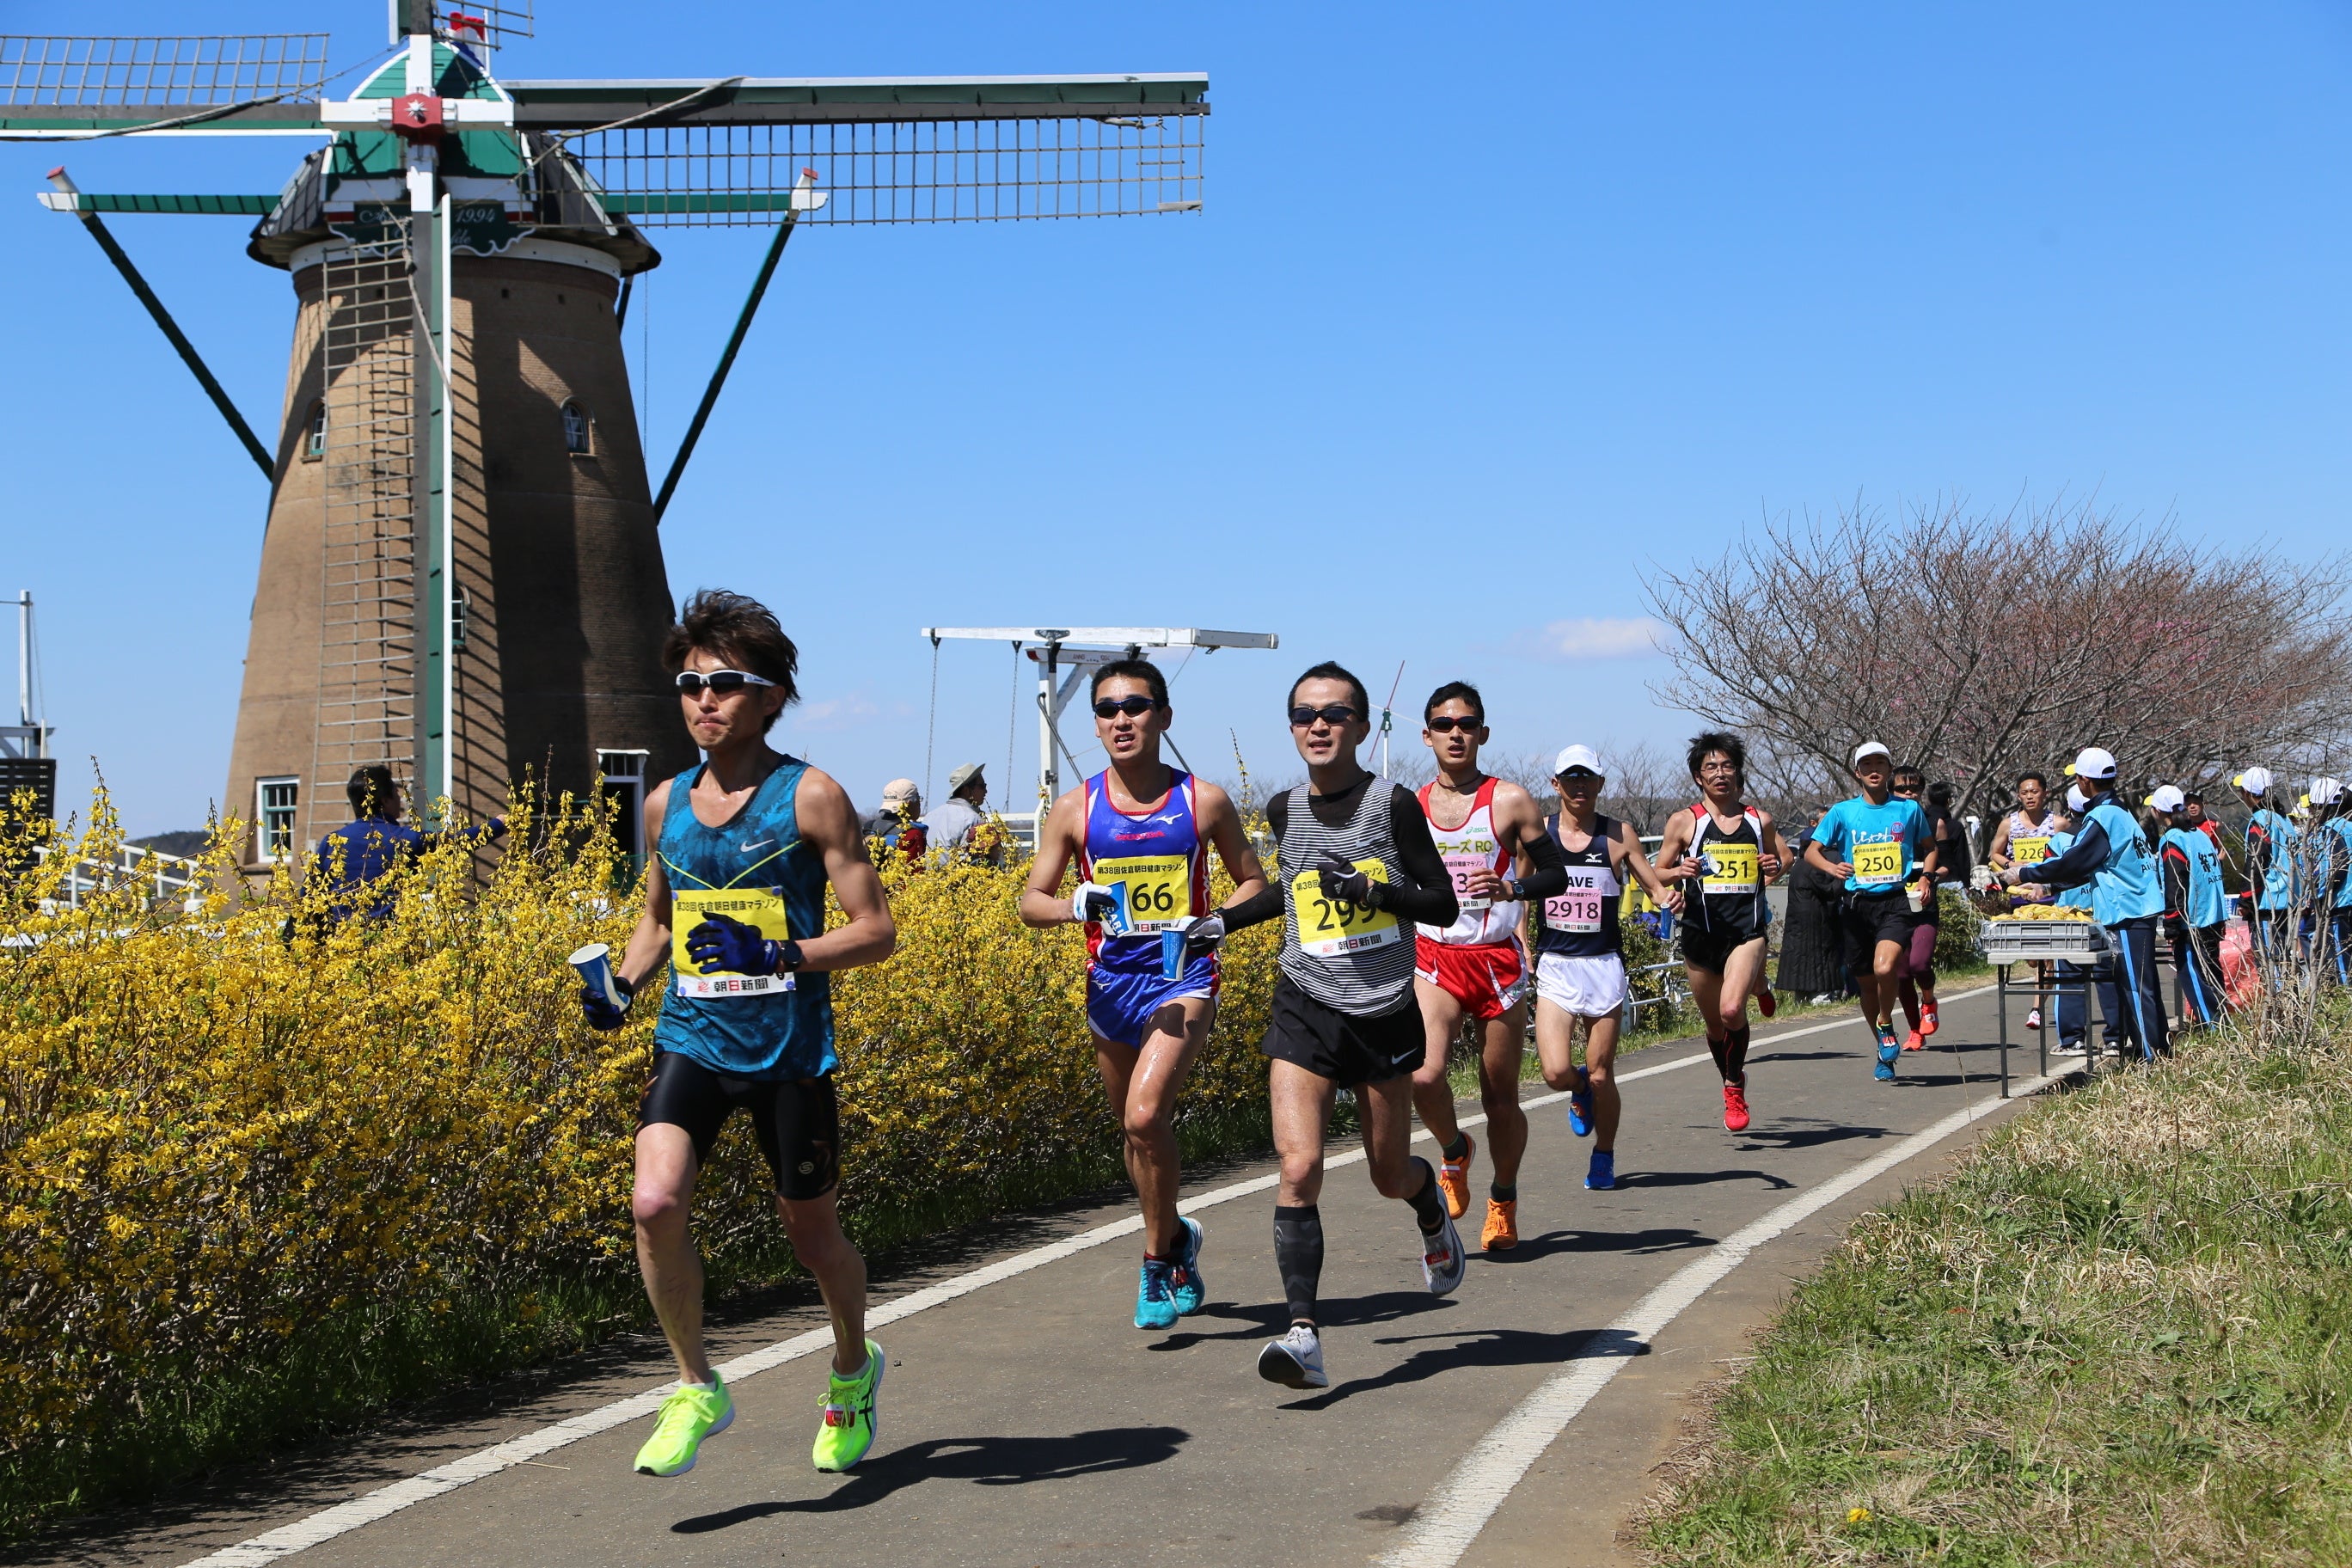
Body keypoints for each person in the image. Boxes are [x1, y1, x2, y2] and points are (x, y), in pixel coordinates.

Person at [579, 590, 898, 1477]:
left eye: (724, 683)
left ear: (769, 698)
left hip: (791, 1056)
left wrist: (784, 951)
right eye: (688, 684)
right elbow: (656, 921)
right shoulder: (664, 805)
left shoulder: (813, 796)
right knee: (653, 1202)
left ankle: (850, 1369)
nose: (703, 700)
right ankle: (695, 1386)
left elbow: (876, 930)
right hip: (692, 1040)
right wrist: (623, 986)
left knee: (813, 1236)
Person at [1209, 662, 1466, 1390]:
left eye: (1334, 713)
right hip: (1306, 1001)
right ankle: (1303, 1335)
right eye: (1303, 714)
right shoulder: (1284, 807)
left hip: (1383, 1007)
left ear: (1358, 725)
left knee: (1388, 1172)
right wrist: (1220, 922)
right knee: (1299, 1167)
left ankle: (1427, 1209)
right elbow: (1291, 898)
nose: (1317, 725)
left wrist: (1374, 890)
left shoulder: (1393, 806)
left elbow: (1442, 905)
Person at [1019, 660, 1267, 1329]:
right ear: (1096, 725)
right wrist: (1079, 903)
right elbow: (1029, 900)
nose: (1121, 719)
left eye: (1135, 706)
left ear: (1163, 715)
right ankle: (1179, 1236)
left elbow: (1253, 881)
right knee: (1133, 1134)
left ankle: (1156, 1262)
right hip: (1111, 985)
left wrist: (1213, 924)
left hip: (1181, 978)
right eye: (1106, 710)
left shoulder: (1202, 800)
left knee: (1144, 1116)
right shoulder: (1077, 808)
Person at [1406, 682, 1567, 1253]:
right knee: (1423, 1075)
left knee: (1500, 1098)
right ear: (1426, 735)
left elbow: (1555, 875)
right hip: (1436, 957)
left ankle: (1503, 1197)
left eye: (1467, 724)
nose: (1457, 733)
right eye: (1445, 724)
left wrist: (1511, 885)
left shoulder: (1510, 801)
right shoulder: (1411, 807)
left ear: (1483, 733)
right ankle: (1453, 1150)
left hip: (1496, 959)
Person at [1529, 745, 1683, 1189]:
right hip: (1557, 963)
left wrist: (1666, 896)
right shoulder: (1539, 833)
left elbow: (1652, 885)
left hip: (1602, 966)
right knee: (1557, 1071)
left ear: (1600, 784)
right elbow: (1523, 888)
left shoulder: (1618, 835)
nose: (1579, 786)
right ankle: (1575, 1092)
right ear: (1556, 784)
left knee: (1601, 1074)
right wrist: (1522, 944)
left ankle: (1604, 1154)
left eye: (1587, 778)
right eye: (1570, 778)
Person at [1653, 732, 1790, 1132]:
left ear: (1737, 772)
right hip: (1700, 934)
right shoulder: (1685, 821)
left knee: (1732, 1010)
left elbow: (1785, 856)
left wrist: (1774, 867)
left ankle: (1733, 1085)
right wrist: (1680, 871)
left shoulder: (1757, 820)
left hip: (1747, 932)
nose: (1720, 773)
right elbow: (1658, 870)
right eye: (1711, 767)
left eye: (1727, 765)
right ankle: (1760, 989)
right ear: (1698, 776)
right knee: (1715, 1025)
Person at [1997, 747, 2168, 1062]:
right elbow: (2089, 868)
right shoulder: (2119, 812)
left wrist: (2024, 872)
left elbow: (2074, 863)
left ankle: (2154, 1059)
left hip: (2129, 910)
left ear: (2085, 781)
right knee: (2139, 986)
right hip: (2135, 908)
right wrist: (2045, 883)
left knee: (2136, 987)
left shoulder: (2103, 817)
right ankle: (2153, 1053)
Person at [1804, 740, 1939, 1082]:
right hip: (1855, 905)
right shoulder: (1843, 812)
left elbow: (1930, 848)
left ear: (1890, 769)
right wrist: (1832, 868)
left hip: (1894, 903)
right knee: (1865, 983)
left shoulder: (1908, 811)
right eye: (1867, 764)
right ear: (1857, 772)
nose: (1874, 769)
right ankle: (1883, 1045)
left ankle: (1887, 1021)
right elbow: (1812, 851)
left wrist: (1925, 877)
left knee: (1885, 966)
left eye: (1881, 763)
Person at [309, 765, 505, 924]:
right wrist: (498, 824)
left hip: (339, 949)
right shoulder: (405, 840)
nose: (400, 802)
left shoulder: (331, 842)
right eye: (396, 794)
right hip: (388, 947)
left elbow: (309, 899)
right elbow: (456, 842)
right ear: (385, 800)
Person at [1988, 770, 2061, 1030]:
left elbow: (2070, 856)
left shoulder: (2058, 824)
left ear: (2045, 793)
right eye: (2025, 792)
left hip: (2048, 897)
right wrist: (2011, 864)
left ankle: (2037, 1008)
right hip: (2019, 898)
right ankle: (2039, 998)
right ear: (2019, 795)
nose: (2030, 796)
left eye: (2035, 791)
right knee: (2032, 957)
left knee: (2046, 956)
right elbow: (1993, 854)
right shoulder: (2009, 824)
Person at [1888, 763, 1952, 1050]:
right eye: (1901, 788)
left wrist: (1928, 879)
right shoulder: (1885, 822)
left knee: (1919, 963)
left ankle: (1929, 1001)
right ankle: (1914, 1030)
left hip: (1923, 902)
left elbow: (1948, 866)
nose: (1908, 793)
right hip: (1893, 903)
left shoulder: (1933, 822)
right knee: (1900, 973)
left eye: (1914, 787)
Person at [2153, 784, 2228, 1025]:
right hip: (2213, 916)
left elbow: (2176, 884)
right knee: (2213, 976)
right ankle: (2222, 1024)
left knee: (2195, 978)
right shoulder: (2200, 835)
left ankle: (2215, 1030)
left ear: (2158, 811)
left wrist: (2172, 924)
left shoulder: (2172, 839)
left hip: (2191, 922)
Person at [1774, 817, 1847, 1004]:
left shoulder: (1799, 864)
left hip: (1797, 919)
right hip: (1816, 918)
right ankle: (1820, 995)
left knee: (1800, 958)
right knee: (1819, 955)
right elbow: (1829, 890)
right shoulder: (1814, 864)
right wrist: (1842, 878)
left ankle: (1802, 997)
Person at [2234, 766, 2298, 970]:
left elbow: (2256, 862)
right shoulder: (2284, 820)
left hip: (2268, 903)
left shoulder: (2261, 820)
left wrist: (2246, 899)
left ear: (2248, 792)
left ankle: (2277, 1002)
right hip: (2290, 901)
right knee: (2287, 963)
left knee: (2272, 966)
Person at [2310, 777, 2352, 985]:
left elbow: (2337, 865)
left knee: (2343, 963)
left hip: (2340, 904)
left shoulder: (2330, 829)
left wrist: (2321, 895)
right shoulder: (2348, 826)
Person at [923, 763, 990, 853]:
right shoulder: (972, 819)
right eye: (982, 786)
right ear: (966, 790)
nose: (986, 791)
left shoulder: (930, 816)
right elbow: (973, 859)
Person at [863, 779, 928, 866]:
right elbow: (914, 873)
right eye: (918, 799)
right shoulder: (912, 834)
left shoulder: (869, 827)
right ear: (909, 803)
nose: (919, 804)